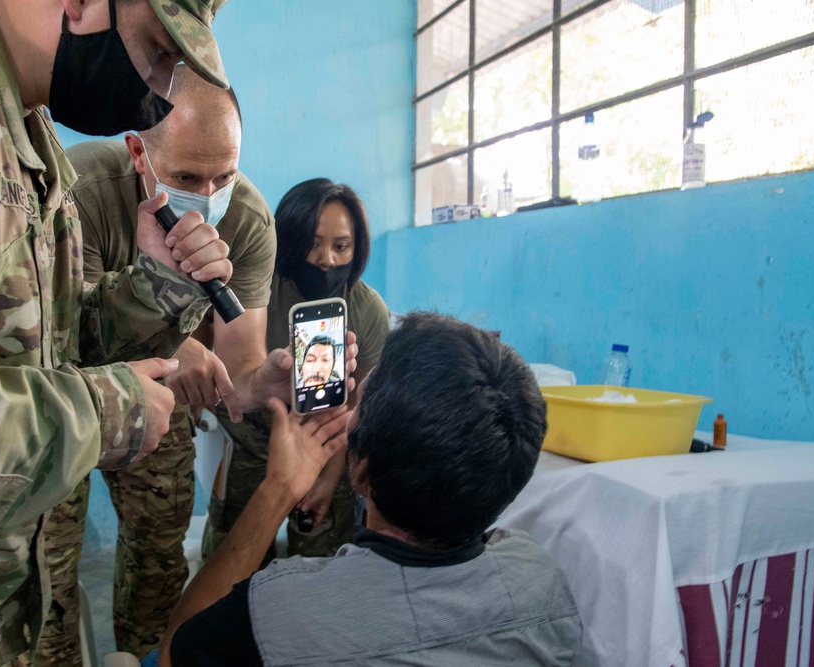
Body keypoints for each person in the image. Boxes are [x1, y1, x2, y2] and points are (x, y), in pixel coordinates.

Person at [0, 0, 234, 664]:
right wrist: (106, 411)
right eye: (157, 51)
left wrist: (155, 284)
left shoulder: (17, 118)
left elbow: (43, 345)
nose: (158, 90)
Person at [155, 312, 582, 666]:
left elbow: (178, 651)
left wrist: (278, 491)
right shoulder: (543, 581)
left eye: (361, 401)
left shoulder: (277, 611)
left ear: (360, 472)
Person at [45, 63, 288, 661]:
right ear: (137, 151)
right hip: (65, 394)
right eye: (185, 176)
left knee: (160, 543)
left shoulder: (249, 221)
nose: (207, 197)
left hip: (158, 401)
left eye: (223, 176)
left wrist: (267, 382)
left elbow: (239, 361)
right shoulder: (79, 189)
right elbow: (61, 331)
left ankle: (146, 654)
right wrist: (178, 344)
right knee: (47, 556)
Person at [205, 178, 390, 564]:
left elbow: (355, 411)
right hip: (250, 446)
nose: (326, 259)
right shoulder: (256, 291)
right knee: (235, 560)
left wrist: (326, 478)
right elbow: (228, 377)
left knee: (319, 564)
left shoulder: (368, 310)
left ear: (357, 249)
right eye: (313, 243)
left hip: (327, 447)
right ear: (290, 239)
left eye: (341, 246)